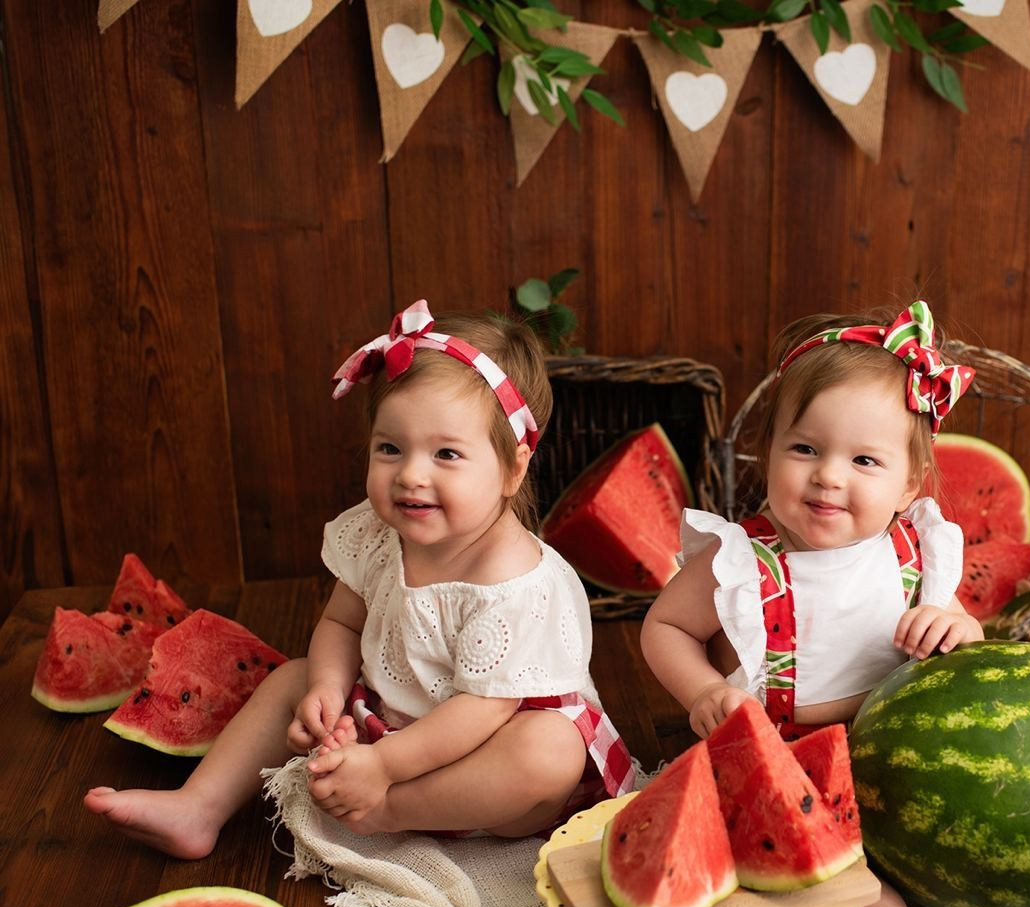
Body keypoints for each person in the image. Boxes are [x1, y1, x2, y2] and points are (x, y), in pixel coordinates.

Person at [86, 300, 635, 858]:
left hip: (484, 772)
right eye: (390, 448)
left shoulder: (517, 583)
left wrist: (384, 772)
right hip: (383, 730)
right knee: (290, 678)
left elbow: (481, 709)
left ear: (513, 469)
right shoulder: (375, 534)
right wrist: (326, 689)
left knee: (549, 751)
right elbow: (342, 623)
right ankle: (198, 806)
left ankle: (386, 812)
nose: (411, 475)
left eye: (447, 453)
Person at [642, 300, 981, 907]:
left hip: (899, 760)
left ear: (909, 484)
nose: (828, 476)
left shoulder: (919, 558)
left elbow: (967, 651)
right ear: (768, 453)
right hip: (775, 758)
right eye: (805, 448)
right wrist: (703, 691)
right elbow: (662, 629)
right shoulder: (740, 565)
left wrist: (957, 626)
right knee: (858, 887)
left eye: (864, 461)